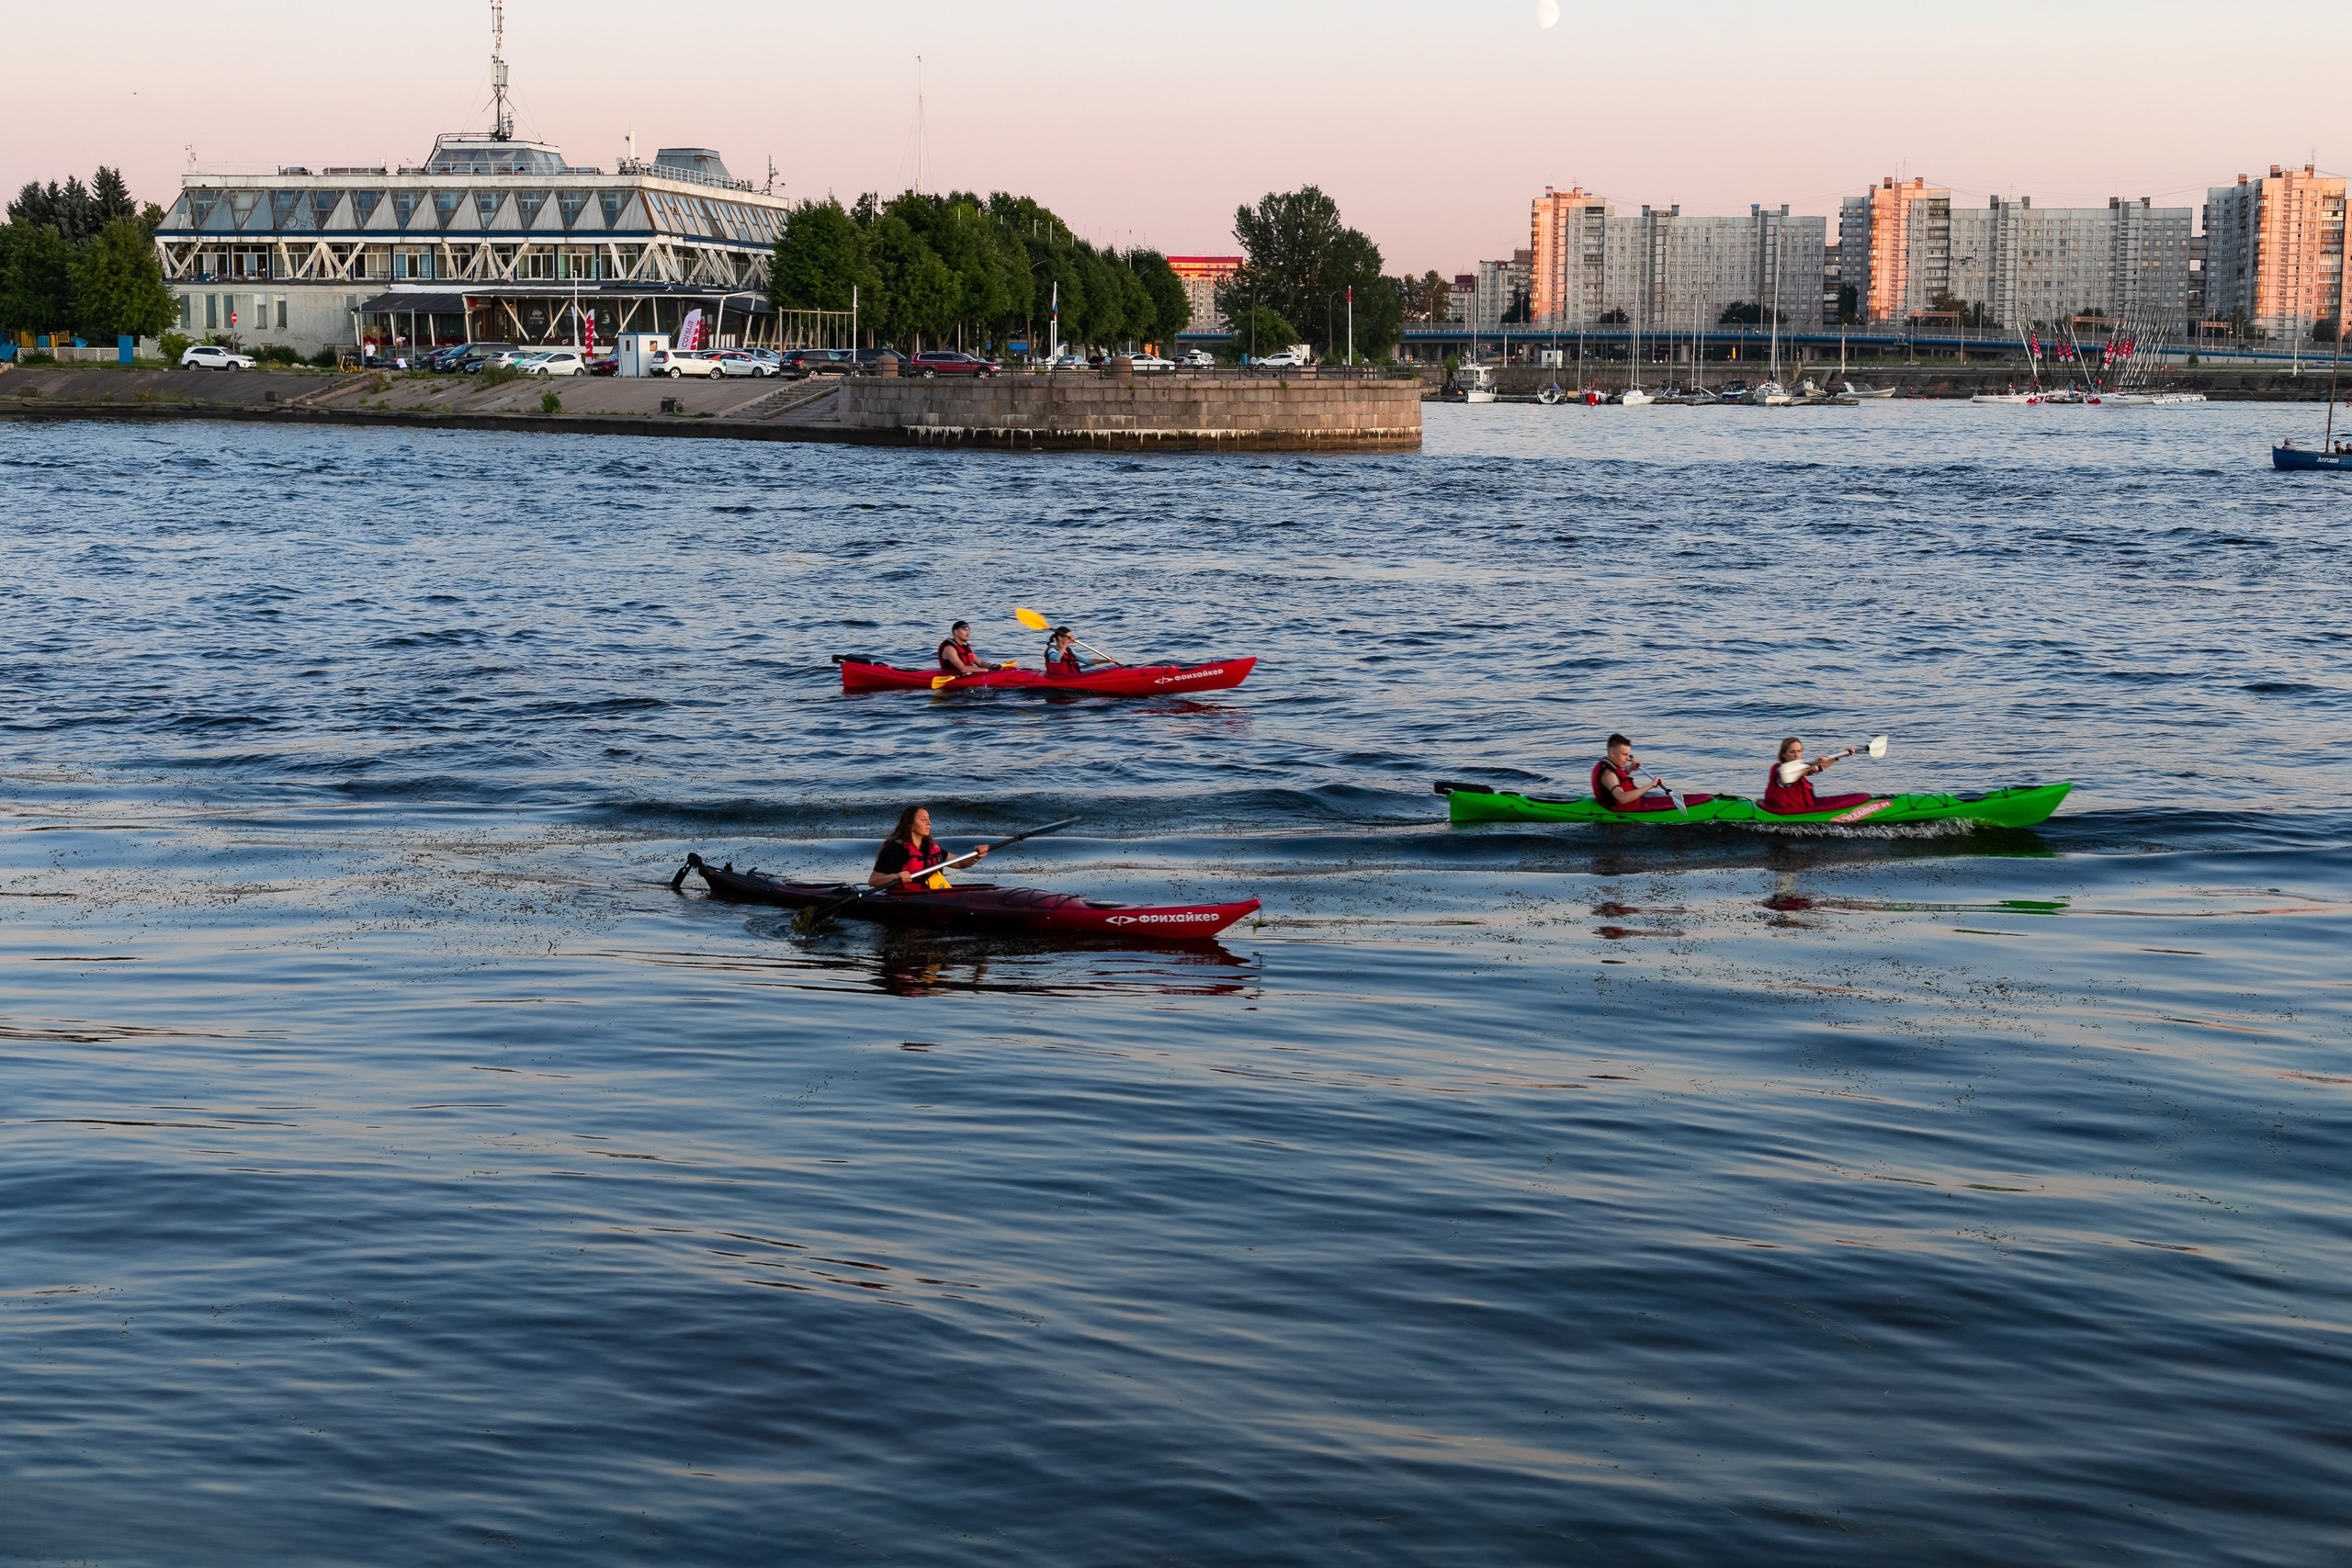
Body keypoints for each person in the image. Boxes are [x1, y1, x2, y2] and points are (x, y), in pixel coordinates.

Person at [867, 805, 984, 892]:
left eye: (928, 819)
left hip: (932, 895)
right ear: (910, 825)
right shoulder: (896, 848)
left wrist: (976, 856)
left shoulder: (930, 847)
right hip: (903, 898)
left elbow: (959, 864)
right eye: (923, 820)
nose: (929, 823)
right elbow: (873, 880)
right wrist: (896, 877)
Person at [1592, 734, 1713, 812]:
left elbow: (1617, 782)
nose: (1628, 758)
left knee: (1704, 797)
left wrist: (1629, 770)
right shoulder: (1608, 774)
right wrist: (1650, 786)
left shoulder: (1610, 766)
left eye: (1628, 755)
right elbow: (1622, 798)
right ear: (1612, 753)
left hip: (1636, 802)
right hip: (1626, 808)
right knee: (1699, 800)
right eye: (1624, 755)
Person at [1761, 737, 1874, 816]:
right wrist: (1816, 762)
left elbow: (1818, 768)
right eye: (1792, 752)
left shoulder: (1801, 768)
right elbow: (1788, 776)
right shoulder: (1779, 770)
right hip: (1783, 812)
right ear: (1783, 754)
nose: (1797, 755)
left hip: (1802, 808)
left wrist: (1842, 755)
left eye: (1799, 751)